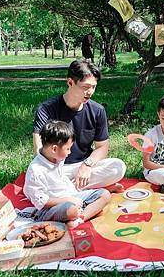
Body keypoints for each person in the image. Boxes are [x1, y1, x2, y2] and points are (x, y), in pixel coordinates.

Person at [33, 59, 126, 193]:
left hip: (83, 166)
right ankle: (81, 189)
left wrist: (87, 165)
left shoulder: (97, 110)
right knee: (39, 178)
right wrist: (54, 169)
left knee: (118, 167)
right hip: (54, 167)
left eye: (93, 87)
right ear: (70, 82)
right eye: (85, 87)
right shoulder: (46, 109)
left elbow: (102, 147)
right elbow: (38, 148)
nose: (90, 92)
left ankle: (67, 190)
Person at [24, 120, 111, 228]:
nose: (69, 152)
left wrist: (73, 195)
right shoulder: (36, 171)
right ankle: (78, 212)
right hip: (50, 208)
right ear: (54, 149)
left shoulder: (56, 157)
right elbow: (41, 202)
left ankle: (80, 219)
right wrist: (68, 200)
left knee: (105, 195)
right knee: (72, 210)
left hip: (71, 196)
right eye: (68, 149)